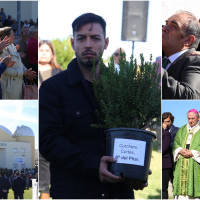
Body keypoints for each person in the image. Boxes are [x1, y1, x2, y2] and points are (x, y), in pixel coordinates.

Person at [39, 13, 149, 199]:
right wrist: (93, 164)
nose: (88, 44)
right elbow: (49, 141)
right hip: (73, 192)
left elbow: (133, 135)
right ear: (73, 43)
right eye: (81, 38)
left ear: (105, 43)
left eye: (95, 38)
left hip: (118, 193)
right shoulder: (53, 88)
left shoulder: (122, 88)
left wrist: (136, 170)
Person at [162, 10, 200, 99]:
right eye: (166, 24)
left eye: (174, 26)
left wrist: (159, 71)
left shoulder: (195, 60)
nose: (164, 28)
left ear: (188, 40)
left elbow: (190, 96)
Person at [0, 27, 37, 99]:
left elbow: (19, 62)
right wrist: (24, 72)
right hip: (9, 88)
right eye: (12, 35)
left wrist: (27, 71)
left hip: (17, 86)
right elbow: (5, 70)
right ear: (6, 37)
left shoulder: (13, 46)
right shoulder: (2, 50)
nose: (15, 37)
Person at [173, 109, 200, 199]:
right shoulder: (182, 129)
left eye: (193, 118)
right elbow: (175, 143)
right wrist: (180, 150)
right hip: (181, 163)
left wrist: (193, 153)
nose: (191, 121)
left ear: (198, 118)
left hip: (195, 164)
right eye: (189, 118)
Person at [162, 126, 172, 199]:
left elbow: (163, 148)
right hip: (161, 164)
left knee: (163, 189)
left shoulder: (166, 134)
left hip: (165, 165)